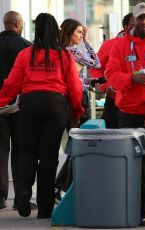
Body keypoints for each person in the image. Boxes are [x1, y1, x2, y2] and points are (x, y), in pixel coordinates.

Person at [0, 12, 83, 218]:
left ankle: (24, 192)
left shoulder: (26, 54)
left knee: (27, 151)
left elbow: (11, 83)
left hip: (29, 104)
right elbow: (74, 87)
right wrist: (77, 111)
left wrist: (1, 101)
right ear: (56, 31)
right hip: (55, 105)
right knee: (49, 156)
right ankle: (45, 208)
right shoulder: (64, 55)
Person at [106, 2, 145, 225]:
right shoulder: (120, 46)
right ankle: (141, 209)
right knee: (135, 164)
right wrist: (131, 78)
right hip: (129, 113)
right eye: (140, 18)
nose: (144, 22)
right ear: (133, 20)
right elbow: (111, 76)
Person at [54, 18, 101, 201]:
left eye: (83, 33)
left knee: (75, 145)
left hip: (63, 99)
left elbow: (75, 77)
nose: (82, 35)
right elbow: (96, 64)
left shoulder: (58, 51)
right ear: (69, 32)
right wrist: (88, 43)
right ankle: (59, 186)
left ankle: (61, 187)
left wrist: (88, 81)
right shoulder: (72, 51)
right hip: (76, 100)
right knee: (80, 145)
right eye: (79, 32)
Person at [0, 11, 31, 210]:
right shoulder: (27, 47)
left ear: (5, 24)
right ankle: (20, 197)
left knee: (0, 150)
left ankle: (0, 197)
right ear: (18, 24)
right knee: (21, 151)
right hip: (20, 105)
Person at [89, 12, 133, 128]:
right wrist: (105, 86)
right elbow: (96, 68)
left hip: (141, 102)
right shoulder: (109, 44)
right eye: (133, 25)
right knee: (111, 138)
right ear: (125, 27)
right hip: (114, 101)